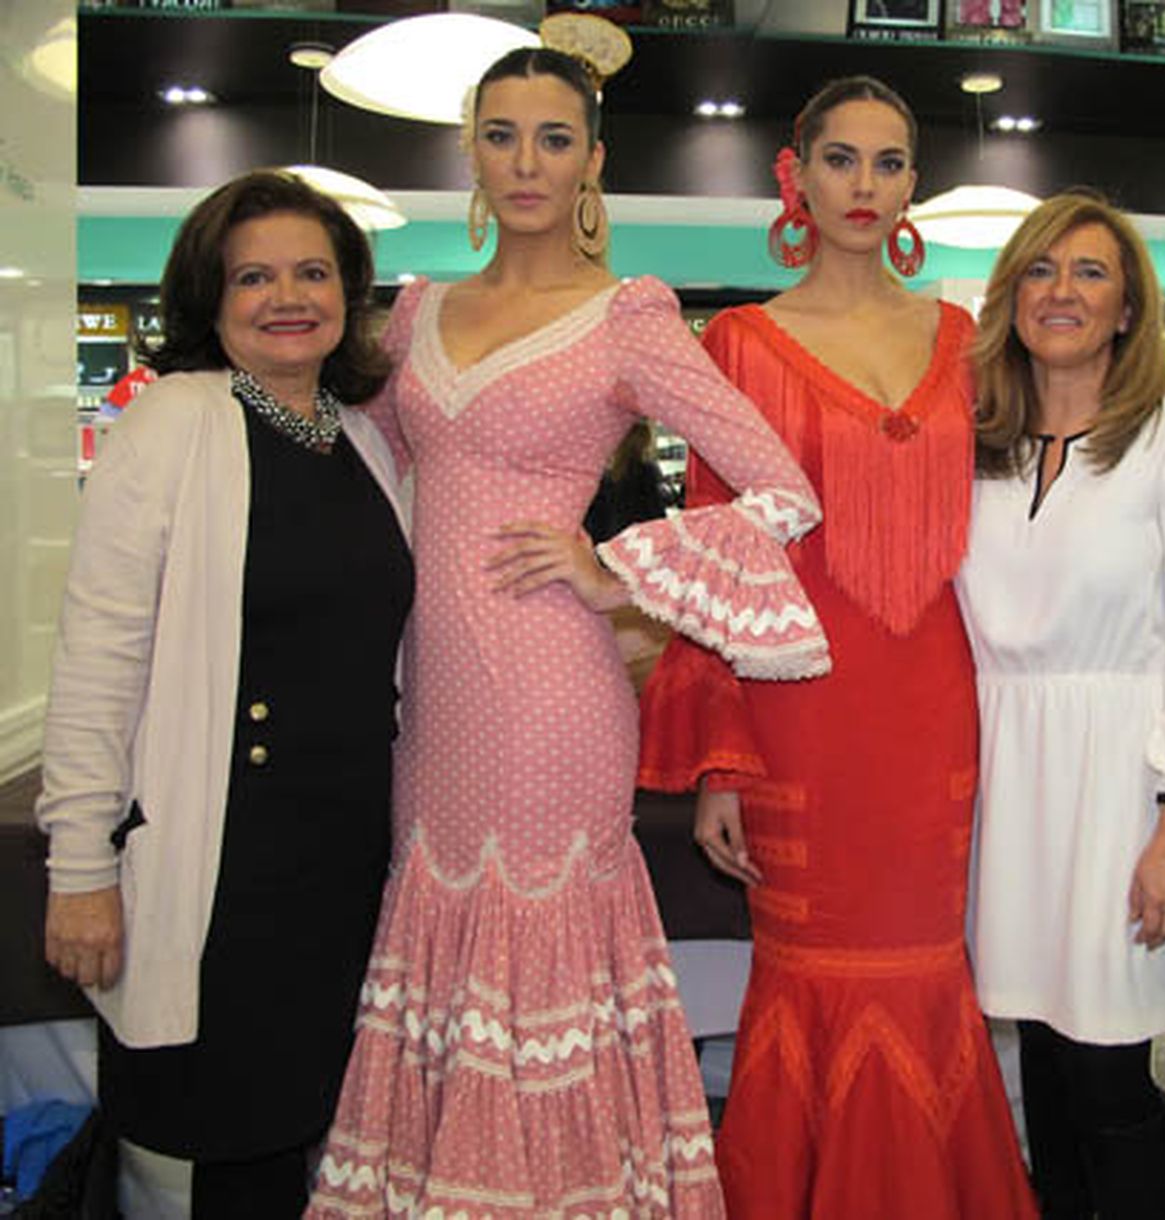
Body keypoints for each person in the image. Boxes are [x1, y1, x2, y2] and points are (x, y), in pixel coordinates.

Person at [305, 17, 828, 1219]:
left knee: (539, 944)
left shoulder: (627, 314)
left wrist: (618, 572)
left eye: (553, 139)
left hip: (551, 694)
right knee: (440, 931)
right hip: (425, 698)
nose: (526, 161)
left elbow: (781, 487)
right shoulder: (415, 310)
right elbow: (366, 472)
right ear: (471, 156)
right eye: (501, 137)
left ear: (592, 160)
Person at [638, 76, 1038, 1219]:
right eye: (842, 160)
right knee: (809, 970)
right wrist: (718, 758)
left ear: (914, 182)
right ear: (796, 174)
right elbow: (719, 556)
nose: (865, 185)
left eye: (890, 161)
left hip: (937, 708)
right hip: (796, 718)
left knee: (929, 965)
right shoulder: (740, 343)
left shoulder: (969, 341)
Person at [36, 169, 412, 1217]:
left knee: (303, 1136)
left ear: (349, 292)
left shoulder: (365, 439)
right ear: (209, 297)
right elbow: (98, 656)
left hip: (341, 866)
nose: (286, 296)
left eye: (311, 271)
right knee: (207, 1141)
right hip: (219, 864)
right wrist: (80, 867)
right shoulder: (175, 422)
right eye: (253, 276)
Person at [956, 191, 1165, 1219]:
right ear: (1011, 294)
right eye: (1039, 269)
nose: (1060, 290)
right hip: (1004, 775)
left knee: (1109, 1063)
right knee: (1034, 1048)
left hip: (1121, 776)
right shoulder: (976, 436)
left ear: (1127, 308)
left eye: (1088, 272)